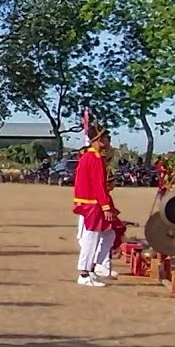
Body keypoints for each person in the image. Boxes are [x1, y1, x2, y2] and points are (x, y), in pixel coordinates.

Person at [73, 122, 116, 287]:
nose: (109, 141)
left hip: (89, 201)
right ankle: (84, 273)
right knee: (91, 238)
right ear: (99, 140)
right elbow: (98, 184)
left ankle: (94, 267)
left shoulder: (88, 157)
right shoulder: (95, 158)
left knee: (108, 234)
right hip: (93, 203)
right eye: (106, 138)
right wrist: (106, 206)